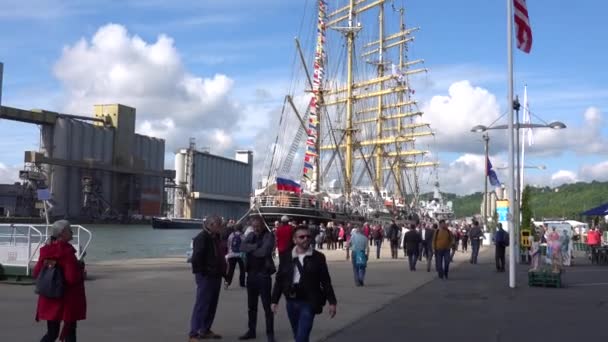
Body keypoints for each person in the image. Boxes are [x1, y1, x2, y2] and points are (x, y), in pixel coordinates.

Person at [271, 225, 337, 342]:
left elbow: (326, 281)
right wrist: (274, 300)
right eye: (301, 237)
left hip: (309, 301)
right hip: (291, 301)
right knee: (298, 335)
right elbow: (280, 279)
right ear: (294, 240)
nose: (306, 239)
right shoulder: (286, 256)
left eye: (308, 236)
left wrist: (332, 302)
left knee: (301, 337)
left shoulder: (318, 257)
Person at [33, 220, 86, 342]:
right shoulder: (66, 252)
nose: (72, 232)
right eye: (69, 229)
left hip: (48, 297)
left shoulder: (45, 250)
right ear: (62, 233)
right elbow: (71, 278)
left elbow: (36, 272)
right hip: (66, 299)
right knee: (69, 332)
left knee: (52, 333)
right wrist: (80, 271)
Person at [239, 216, 276, 342]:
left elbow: (264, 252)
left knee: (267, 307)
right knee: (251, 306)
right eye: (253, 226)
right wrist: (255, 247)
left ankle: (270, 334)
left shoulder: (269, 236)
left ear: (262, 225)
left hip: (264, 275)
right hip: (251, 275)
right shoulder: (251, 235)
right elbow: (242, 247)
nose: (256, 228)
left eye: (258, 226)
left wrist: (251, 249)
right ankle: (251, 331)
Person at [189, 216, 225, 341]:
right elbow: (196, 258)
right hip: (206, 276)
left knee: (212, 304)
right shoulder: (202, 238)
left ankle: (205, 329)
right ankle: (193, 333)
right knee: (202, 304)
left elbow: (219, 255)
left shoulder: (215, 237)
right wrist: (203, 273)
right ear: (211, 224)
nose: (221, 227)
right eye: (219, 225)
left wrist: (223, 272)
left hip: (216, 275)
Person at [225, 224, 246, 288]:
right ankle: (242, 283)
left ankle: (227, 282)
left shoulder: (231, 235)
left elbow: (228, 244)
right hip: (240, 255)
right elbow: (244, 245)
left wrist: (229, 252)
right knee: (242, 269)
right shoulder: (242, 235)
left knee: (231, 269)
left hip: (231, 254)